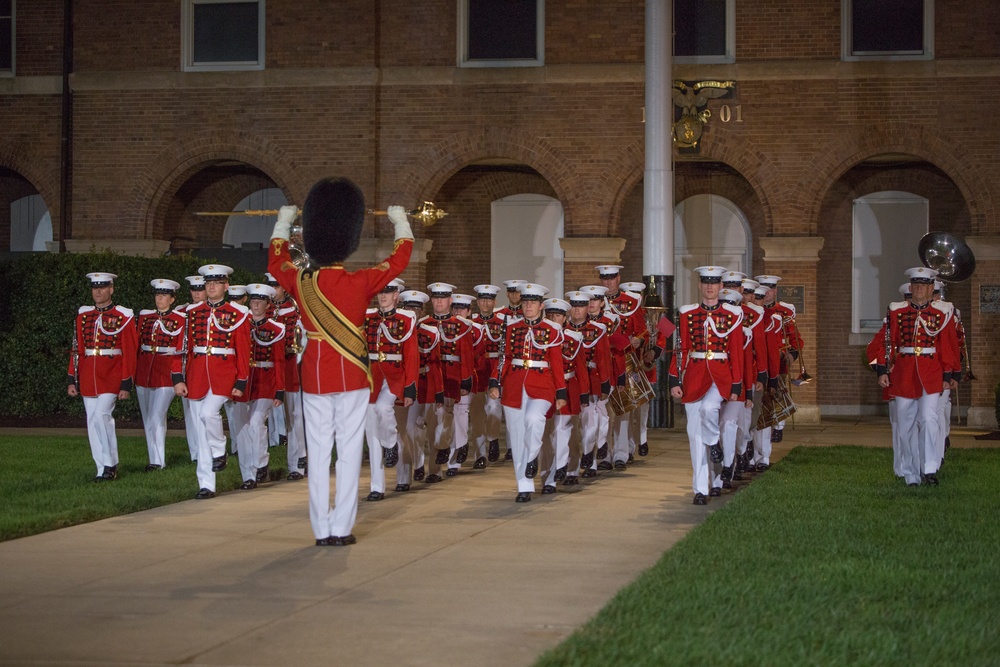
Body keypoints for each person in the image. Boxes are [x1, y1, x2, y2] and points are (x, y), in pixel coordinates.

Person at [268, 177, 413, 546]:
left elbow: (276, 261)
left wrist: (283, 224)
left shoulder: (301, 282)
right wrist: (401, 223)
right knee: (349, 453)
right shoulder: (362, 281)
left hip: (315, 377)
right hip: (351, 377)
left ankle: (320, 529)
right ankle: (341, 528)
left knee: (318, 456)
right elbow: (400, 259)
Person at [873, 267, 961, 486]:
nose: (919, 289)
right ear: (910, 288)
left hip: (931, 372)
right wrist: (882, 370)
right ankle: (911, 473)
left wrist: (950, 373)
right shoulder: (897, 312)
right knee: (905, 423)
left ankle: (929, 468)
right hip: (904, 372)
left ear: (932, 289)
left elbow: (949, 345)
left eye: (924, 285)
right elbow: (887, 342)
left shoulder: (942, 314)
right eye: (916, 285)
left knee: (930, 419)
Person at [173, 264, 251, 499]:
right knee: (199, 430)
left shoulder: (239, 314)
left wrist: (242, 380)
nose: (212, 287)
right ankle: (206, 484)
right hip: (196, 376)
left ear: (226, 286)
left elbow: (244, 350)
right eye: (208, 284)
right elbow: (181, 348)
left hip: (224, 375)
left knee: (208, 414)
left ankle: (219, 451)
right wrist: (178, 377)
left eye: (216, 283)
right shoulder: (193, 313)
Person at [669, 266, 744, 505]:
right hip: (694, 375)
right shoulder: (687, 313)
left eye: (714, 283)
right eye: (706, 282)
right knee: (694, 434)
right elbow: (680, 348)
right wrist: (674, 378)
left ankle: (714, 443)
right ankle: (701, 488)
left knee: (709, 409)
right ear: (700, 286)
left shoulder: (732, 315)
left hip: (720, 375)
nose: (710, 287)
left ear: (721, 286)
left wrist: (737, 384)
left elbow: (736, 353)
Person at [489, 283, 567, 502]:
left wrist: (561, 392)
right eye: (525, 302)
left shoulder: (552, 330)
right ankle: (524, 486)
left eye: (533, 302)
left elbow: (557, 363)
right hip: (514, 384)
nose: (528, 306)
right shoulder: (512, 328)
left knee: (534, 419)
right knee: (516, 434)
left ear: (541, 305)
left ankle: (532, 457)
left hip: (542, 384)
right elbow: (503, 359)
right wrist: (495, 382)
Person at [68, 272, 138, 481]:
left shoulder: (123, 316)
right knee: (92, 421)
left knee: (102, 416)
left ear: (111, 289)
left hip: (112, 374)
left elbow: (129, 350)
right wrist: (72, 377)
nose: (97, 291)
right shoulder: (83, 316)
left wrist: (127, 381)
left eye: (102, 287)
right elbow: (77, 349)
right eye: (94, 287)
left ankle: (110, 463)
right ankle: (101, 468)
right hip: (88, 373)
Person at [363, 278, 418, 500]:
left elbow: (412, 356)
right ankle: (377, 486)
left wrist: (410, 387)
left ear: (397, 295)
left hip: (395, 376)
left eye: (388, 292)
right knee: (371, 432)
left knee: (384, 408)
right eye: (380, 292)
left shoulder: (406, 319)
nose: (383, 296)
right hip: (371, 377)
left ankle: (392, 443)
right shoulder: (368, 318)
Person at [233, 283, 286, 489]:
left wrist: (279, 390)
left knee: (256, 423)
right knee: (241, 428)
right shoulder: (239, 324)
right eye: (253, 300)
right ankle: (248, 474)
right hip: (244, 381)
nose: (255, 304)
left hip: (265, 380)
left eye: (260, 301)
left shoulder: (276, 329)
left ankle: (261, 462)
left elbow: (280, 362)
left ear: (267, 304)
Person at [597, 265, 648, 469]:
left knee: (623, 410)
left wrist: (638, 340)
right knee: (603, 412)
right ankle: (604, 454)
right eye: (604, 279)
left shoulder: (631, 302)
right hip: (602, 363)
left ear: (618, 278)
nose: (607, 283)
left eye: (611, 278)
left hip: (625, 359)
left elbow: (643, 331)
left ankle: (621, 453)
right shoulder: (594, 301)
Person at [425, 282, 475, 480]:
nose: (439, 301)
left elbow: (466, 355)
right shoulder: (423, 324)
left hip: (452, 375)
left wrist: (466, 381)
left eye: (443, 297)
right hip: (431, 377)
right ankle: (436, 466)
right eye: (436, 297)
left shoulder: (461, 326)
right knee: (435, 420)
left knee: (449, 418)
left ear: (450, 300)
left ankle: (452, 459)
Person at [539, 297, 589, 494]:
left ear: (564, 317)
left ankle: (570, 469)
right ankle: (549, 474)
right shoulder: (539, 336)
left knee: (568, 430)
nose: (553, 319)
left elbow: (581, 368)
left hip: (568, 387)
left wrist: (584, 394)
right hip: (546, 387)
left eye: (558, 316)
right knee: (547, 434)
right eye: (550, 315)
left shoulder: (573, 338)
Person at [135, 279, 185, 471]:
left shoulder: (180, 320)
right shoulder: (146, 317)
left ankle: (158, 461)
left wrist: (177, 374)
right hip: (145, 370)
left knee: (157, 416)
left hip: (166, 372)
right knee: (148, 418)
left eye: (164, 295)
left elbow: (180, 348)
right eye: (157, 294)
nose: (160, 298)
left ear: (172, 299)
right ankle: (154, 457)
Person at [564, 290, 612, 483]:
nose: (577, 310)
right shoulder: (562, 330)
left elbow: (603, 358)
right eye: (574, 306)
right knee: (570, 427)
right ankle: (571, 467)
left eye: (581, 306)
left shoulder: (597, 330)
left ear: (587, 308)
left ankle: (589, 459)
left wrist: (605, 384)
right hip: (569, 382)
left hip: (591, 380)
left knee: (590, 424)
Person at [397, 289, 443, 489]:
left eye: (416, 309)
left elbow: (436, 364)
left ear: (421, 311)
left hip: (426, 383)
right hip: (405, 386)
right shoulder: (396, 330)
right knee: (408, 428)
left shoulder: (429, 332)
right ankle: (416, 465)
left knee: (429, 428)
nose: (413, 312)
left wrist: (439, 390)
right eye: (409, 308)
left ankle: (432, 468)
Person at [270, 274, 306, 480]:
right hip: (271, 368)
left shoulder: (295, 310)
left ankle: (297, 464)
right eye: (271, 286)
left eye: (277, 286)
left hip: (292, 366)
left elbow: (302, 339)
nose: (274, 290)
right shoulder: (265, 312)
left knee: (295, 416)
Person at [452, 292, 491, 469]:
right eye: (455, 308)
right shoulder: (446, 327)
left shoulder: (476, 329)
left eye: (462, 309)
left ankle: (480, 454)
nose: (458, 312)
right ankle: (455, 459)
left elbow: (477, 353)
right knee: (456, 417)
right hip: (453, 378)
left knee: (477, 417)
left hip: (474, 377)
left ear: (469, 311)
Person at [472, 284, 505, 463]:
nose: (485, 303)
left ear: (495, 302)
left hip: (494, 368)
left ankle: (492, 440)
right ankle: (479, 454)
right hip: (477, 369)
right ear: (477, 302)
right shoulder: (471, 322)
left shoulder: (502, 323)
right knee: (477, 412)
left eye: (489, 300)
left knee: (493, 407)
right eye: (482, 299)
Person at [178, 275, 207, 462]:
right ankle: (195, 452)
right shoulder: (182, 311)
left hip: (204, 364)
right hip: (187, 365)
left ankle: (207, 449)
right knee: (189, 412)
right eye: (194, 289)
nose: (196, 293)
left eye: (200, 289)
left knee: (205, 412)